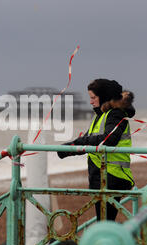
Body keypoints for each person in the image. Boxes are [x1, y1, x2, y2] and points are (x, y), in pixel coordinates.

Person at [57, 78, 136, 221]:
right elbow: (88, 141)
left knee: (104, 223)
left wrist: (77, 143)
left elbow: (108, 140)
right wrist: (67, 149)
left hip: (112, 176)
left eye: (93, 98)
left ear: (104, 97)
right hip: (100, 176)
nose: (91, 102)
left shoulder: (116, 114)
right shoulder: (100, 117)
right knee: (103, 222)